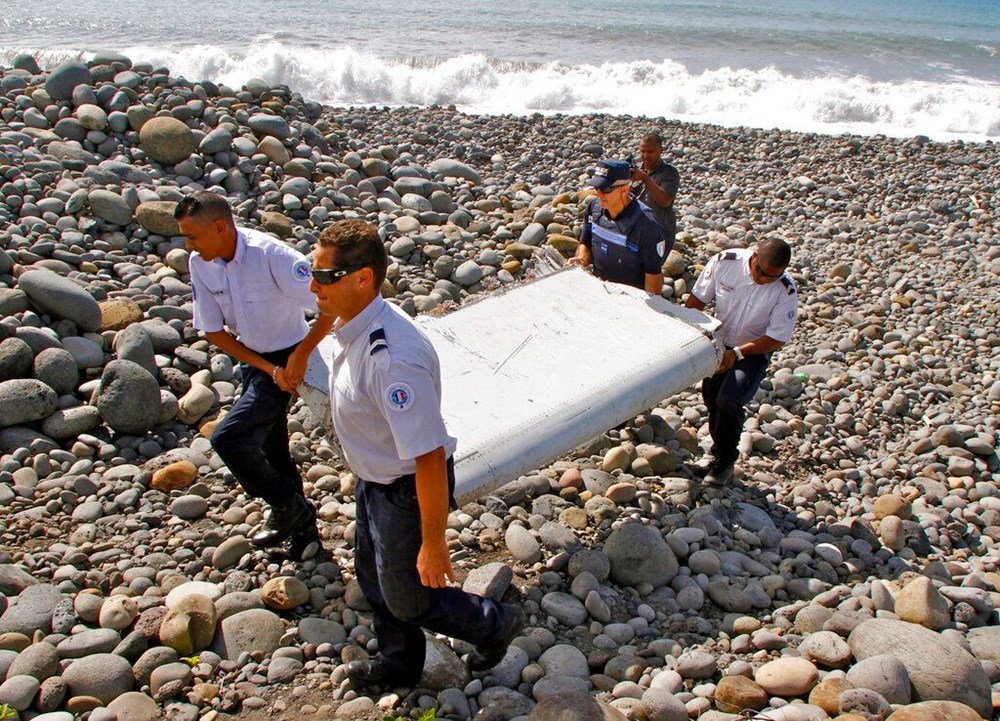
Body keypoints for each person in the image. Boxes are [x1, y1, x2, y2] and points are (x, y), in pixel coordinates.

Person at [309, 219, 524, 689]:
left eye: (324, 277)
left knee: (411, 597)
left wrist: (434, 541)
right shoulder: (356, 321)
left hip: (406, 488)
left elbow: (427, 457)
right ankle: (400, 665)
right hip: (376, 479)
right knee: (373, 574)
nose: (313, 286)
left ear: (362, 278)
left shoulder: (392, 359)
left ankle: (495, 624)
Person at [176, 191, 327, 559]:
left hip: (291, 354)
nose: (187, 245)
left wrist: (300, 357)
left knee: (229, 439)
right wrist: (266, 369)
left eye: (193, 236)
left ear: (220, 227)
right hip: (257, 361)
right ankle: (304, 536)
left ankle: (288, 506)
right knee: (272, 449)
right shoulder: (201, 263)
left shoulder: (270, 255)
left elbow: (330, 304)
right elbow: (213, 331)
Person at [684, 238, 798, 486]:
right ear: (754, 256)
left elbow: (777, 337)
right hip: (719, 341)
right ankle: (716, 453)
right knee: (712, 399)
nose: (764, 280)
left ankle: (725, 461)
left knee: (730, 400)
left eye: (772, 277)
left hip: (752, 351)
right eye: (761, 273)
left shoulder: (785, 290)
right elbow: (697, 301)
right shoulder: (726, 263)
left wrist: (737, 353)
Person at [570, 159, 666, 294]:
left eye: (606, 189)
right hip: (600, 291)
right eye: (597, 188)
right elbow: (585, 242)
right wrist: (582, 259)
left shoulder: (646, 225)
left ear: (625, 189)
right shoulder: (594, 208)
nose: (599, 194)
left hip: (631, 300)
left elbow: (653, 276)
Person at [630, 131, 680, 251]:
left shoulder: (669, 173)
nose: (645, 156)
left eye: (650, 152)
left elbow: (665, 201)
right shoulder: (636, 169)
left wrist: (645, 178)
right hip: (636, 231)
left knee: (652, 269)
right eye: (642, 151)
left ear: (660, 151)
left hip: (660, 234)